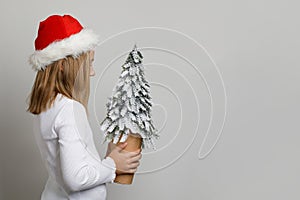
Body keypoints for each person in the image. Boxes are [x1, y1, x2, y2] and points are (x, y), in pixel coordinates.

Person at [26, 14, 142, 200]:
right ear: (64, 65)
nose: (92, 72)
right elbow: (75, 178)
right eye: (89, 63)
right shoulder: (69, 109)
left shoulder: (46, 107)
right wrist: (112, 165)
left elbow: (66, 167)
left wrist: (107, 158)